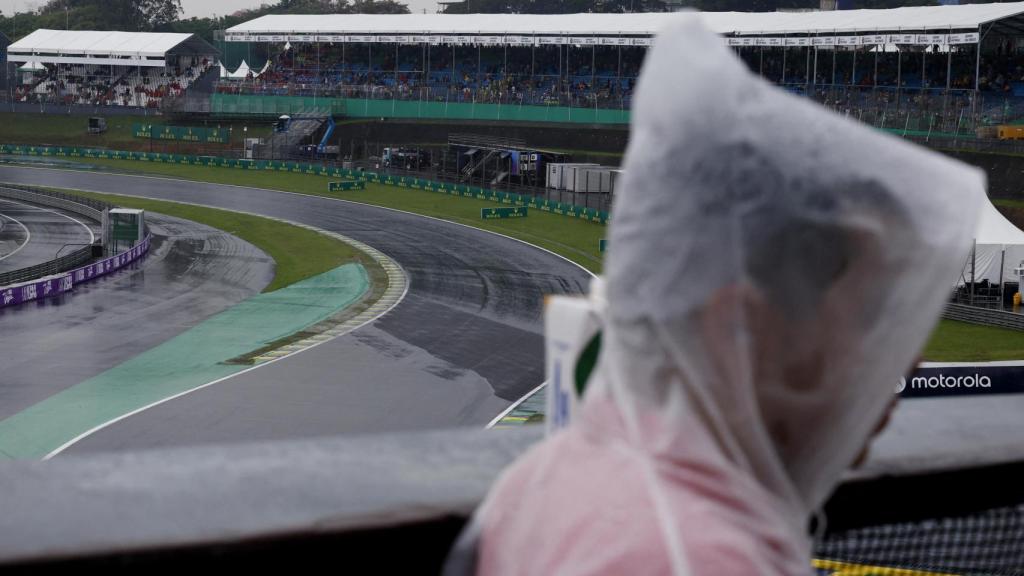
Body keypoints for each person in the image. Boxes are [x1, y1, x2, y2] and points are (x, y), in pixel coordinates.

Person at [446, 15, 986, 576]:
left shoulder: (549, 474)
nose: (906, 359)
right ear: (740, 323)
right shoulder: (697, 555)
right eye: (873, 319)